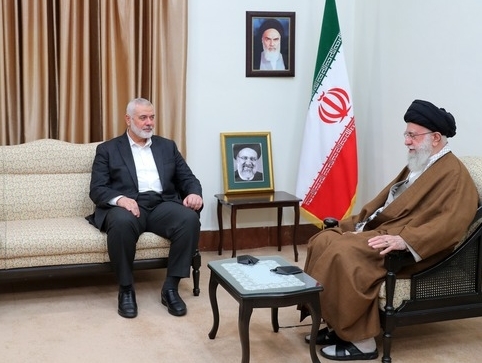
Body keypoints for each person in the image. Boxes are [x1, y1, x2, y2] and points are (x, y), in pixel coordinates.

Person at [302, 99, 478, 361]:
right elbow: (388, 201)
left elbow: (451, 225)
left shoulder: (454, 174)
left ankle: (362, 342)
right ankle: (336, 326)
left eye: (412, 135)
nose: (406, 141)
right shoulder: (421, 162)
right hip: (385, 230)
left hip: (411, 247)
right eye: (406, 134)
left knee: (344, 253)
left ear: (436, 138)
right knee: (323, 239)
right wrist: (358, 225)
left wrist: (405, 241)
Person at [87, 98, 203, 319]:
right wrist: (120, 199)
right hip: (129, 206)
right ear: (128, 119)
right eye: (143, 117)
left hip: (162, 204)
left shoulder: (167, 146)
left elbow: (188, 178)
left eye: (152, 117)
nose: (149, 122)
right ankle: (126, 289)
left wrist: (194, 193)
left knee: (189, 219)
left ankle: (170, 288)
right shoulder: (108, 149)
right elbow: (97, 189)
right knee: (120, 223)